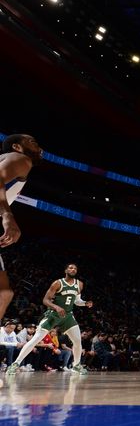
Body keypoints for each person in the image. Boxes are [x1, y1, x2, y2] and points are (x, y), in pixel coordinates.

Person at [6, 263, 92, 375]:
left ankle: (76, 365)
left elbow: (76, 301)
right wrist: (56, 307)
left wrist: (85, 303)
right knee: (36, 339)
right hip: (53, 315)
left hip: (68, 316)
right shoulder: (57, 283)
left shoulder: (79, 284)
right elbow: (45, 300)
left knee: (77, 341)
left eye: (75, 268)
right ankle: (15, 364)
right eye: (71, 267)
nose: (73, 269)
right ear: (66, 270)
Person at [0, 134, 44, 321]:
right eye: (30, 141)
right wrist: (7, 215)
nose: (36, 143)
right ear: (17, 147)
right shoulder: (20, 158)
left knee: (4, 293)